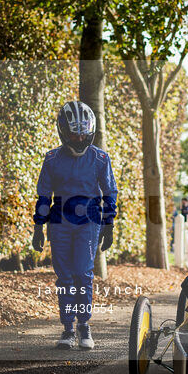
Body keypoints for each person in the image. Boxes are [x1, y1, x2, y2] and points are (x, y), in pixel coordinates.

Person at [32, 101, 118, 350]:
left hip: (88, 222)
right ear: (62, 131)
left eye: (83, 132)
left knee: (83, 274)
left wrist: (108, 224)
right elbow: (43, 195)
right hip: (59, 222)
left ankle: (84, 326)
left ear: (91, 131)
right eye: (74, 132)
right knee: (65, 278)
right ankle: (68, 329)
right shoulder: (52, 159)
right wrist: (38, 226)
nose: (79, 137)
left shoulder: (100, 158)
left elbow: (109, 192)